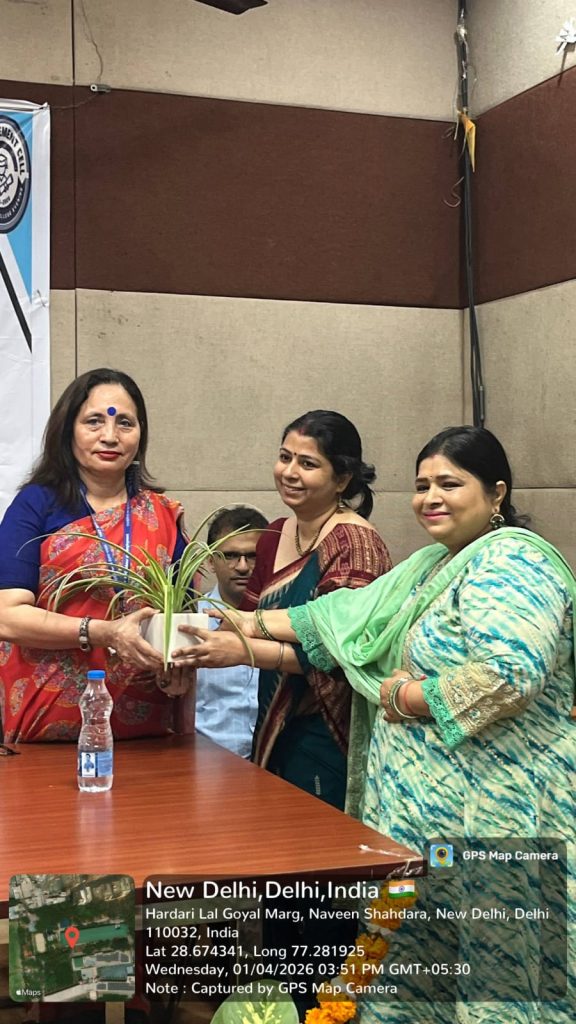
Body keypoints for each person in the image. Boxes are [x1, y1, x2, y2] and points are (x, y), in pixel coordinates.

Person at [183, 425, 576, 1022]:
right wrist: (231, 629)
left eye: (450, 484)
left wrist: (406, 695)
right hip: (428, 832)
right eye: (422, 485)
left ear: (497, 493)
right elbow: (336, 618)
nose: (430, 497)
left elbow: (509, 674)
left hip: (495, 820)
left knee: (494, 986)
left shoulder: (513, 561)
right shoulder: (431, 565)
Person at [175, 409, 392, 810]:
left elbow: (340, 652)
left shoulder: (355, 545)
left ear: (342, 478)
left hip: (327, 730)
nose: (289, 472)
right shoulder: (274, 534)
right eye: (284, 457)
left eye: (307, 463)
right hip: (272, 728)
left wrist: (242, 651)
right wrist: (183, 655)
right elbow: (245, 622)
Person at [0, 367, 193, 743]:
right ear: (67, 430)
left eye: (125, 423)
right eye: (94, 421)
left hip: (149, 735)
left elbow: (182, 621)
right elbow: (7, 617)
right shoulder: (36, 505)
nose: (110, 436)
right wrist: (103, 633)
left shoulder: (162, 515)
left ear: (141, 434)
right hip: (47, 731)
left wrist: (178, 668)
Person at [195, 504, 268, 757]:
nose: (243, 566)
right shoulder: (190, 620)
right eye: (230, 555)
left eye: (253, 556)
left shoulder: (285, 619)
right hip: (208, 759)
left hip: (275, 760)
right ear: (210, 560)